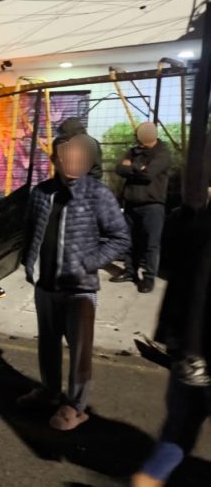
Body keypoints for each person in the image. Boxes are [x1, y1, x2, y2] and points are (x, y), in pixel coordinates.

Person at [19, 134, 130, 431]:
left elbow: (120, 238)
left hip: (80, 289)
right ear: (55, 159)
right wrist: (28, 262)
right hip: (45, 285)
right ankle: (50, 391)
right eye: (65, 155)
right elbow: (30, 229)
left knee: (80, 350)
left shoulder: (98, 194)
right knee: (48, 345)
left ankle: (76, 406)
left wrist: (89, 262)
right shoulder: (41, 192)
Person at [132, 201, 211, 487]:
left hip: (188, 350)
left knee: (178, 430)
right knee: (179, 429)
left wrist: (176, 342)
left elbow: (183, 280)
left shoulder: (202, 219)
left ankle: (147, 480)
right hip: (196, 351)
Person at [112, 122, 171, 293]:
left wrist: (131, 167)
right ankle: (130, 271)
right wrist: (139, 168)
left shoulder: (162, 152)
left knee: (151, 244)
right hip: (131, 203)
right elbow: (119, 168)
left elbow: (149, 174)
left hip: (152, 206)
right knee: (130, 241)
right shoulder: (133, 151)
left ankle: (149, 278)